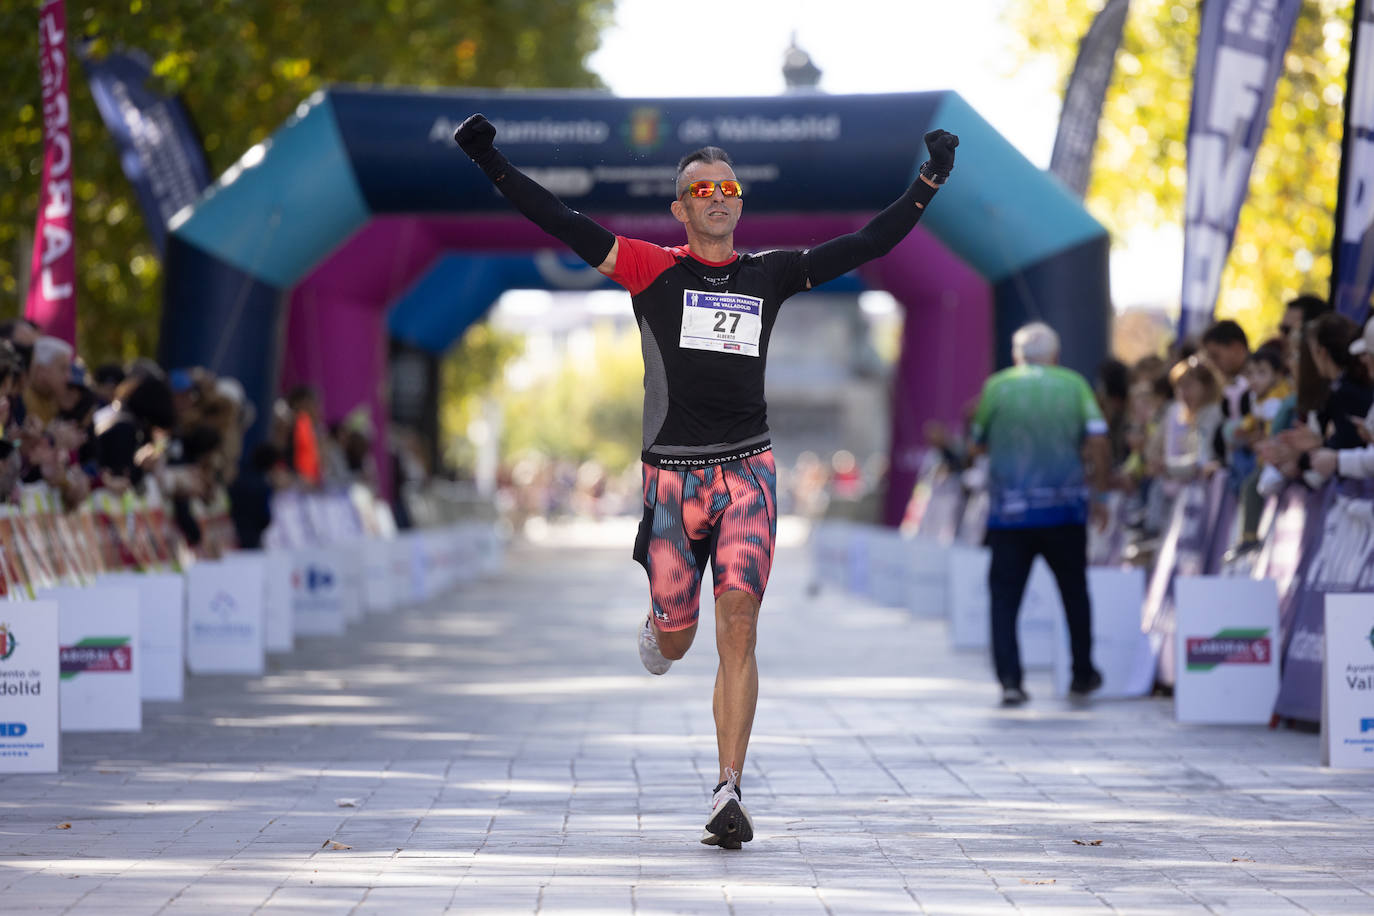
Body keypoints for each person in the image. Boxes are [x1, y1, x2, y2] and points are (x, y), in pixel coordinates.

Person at [454, 111, 959, 849]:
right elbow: (561, 220)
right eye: (701, 189)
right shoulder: (647, 267)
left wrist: (928, 183)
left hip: (749, 472)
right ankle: (660, 624)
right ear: (681, 207)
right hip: (670, 484)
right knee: (680, 638)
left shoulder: (770, 273)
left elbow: (865, 245)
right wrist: (490, 163)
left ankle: (729, 787)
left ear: (738, 203)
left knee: (740, 626)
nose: (717, 197)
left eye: (728, 187)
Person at [968, 322, 1110, 707]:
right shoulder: (1075, 384)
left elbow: (976, 445)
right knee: (1074, 594)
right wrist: (1099, 492)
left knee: (1005, 600)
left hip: (1010, 515)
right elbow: (1098, 438)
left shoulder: (998, 386)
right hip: (1064, 511)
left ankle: (1011, 681)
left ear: (1017, 356)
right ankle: (1082, 674)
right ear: (1055, 355)